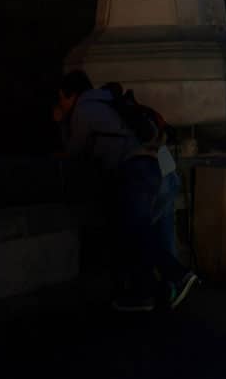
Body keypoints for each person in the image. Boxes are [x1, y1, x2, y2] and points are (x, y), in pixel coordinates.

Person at [56, 71, 199, 313]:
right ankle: (152, 293)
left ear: (71, 95)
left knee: (135, 232)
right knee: (153, 232)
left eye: (62, 99)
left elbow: (73, 153)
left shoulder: (84, 108)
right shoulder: (113, 101)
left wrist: (60, 123)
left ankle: (175, 276)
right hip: (163, 166)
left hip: (137, 170)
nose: (62, 105)